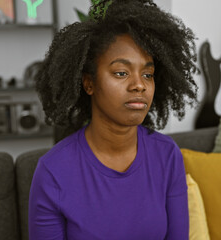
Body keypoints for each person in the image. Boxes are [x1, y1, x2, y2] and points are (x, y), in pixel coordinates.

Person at [28, 0, 198, 239]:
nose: (139, 84)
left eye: (147, 74)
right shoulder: (53, 171)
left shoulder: (167, 155)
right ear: (89, 83)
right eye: (121, 73)